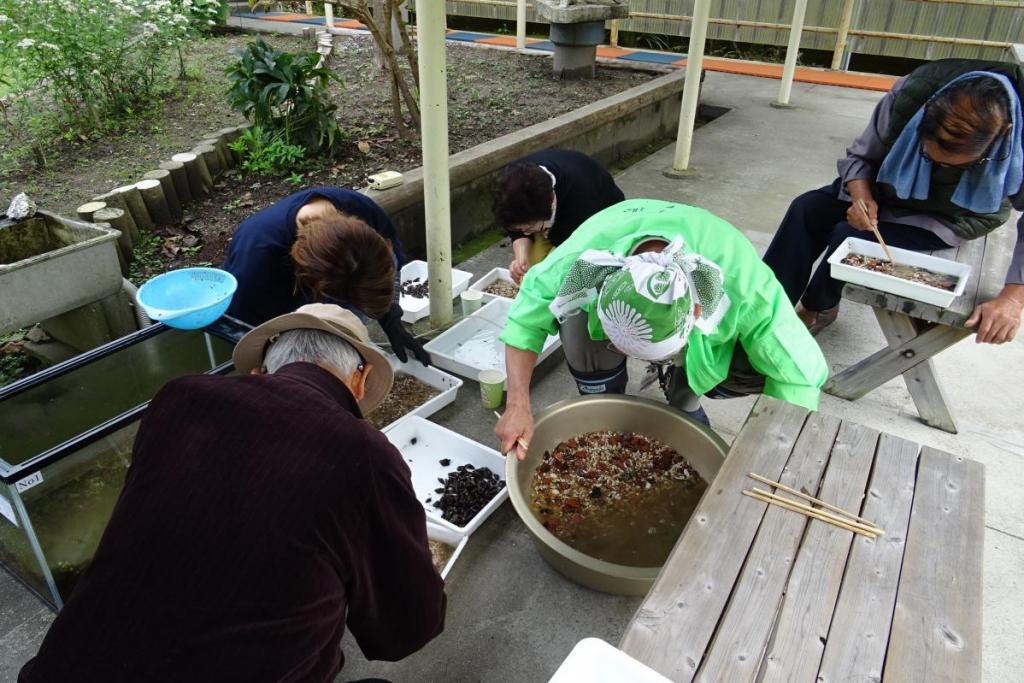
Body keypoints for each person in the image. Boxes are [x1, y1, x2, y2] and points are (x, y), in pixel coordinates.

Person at [19, 304, 447, 683]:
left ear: (260, 371)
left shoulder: (178, 398)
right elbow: (405, 629)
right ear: (362, 378)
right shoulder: (364, 454)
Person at [494, 199, 828, 458]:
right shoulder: (582, 262)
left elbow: (800, 375)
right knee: (577, 333)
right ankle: (605, 398)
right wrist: (518, 405)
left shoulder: (746, 287)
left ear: (698, 311)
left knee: (754, 366)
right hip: (624, 225)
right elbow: (526, 316)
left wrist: (769, 456)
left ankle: (685, 393)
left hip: (712, 258)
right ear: (603, 285)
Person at [763, 59, 1024, 343]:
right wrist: (861, 196)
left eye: (960, 166)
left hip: (951, 216)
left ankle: (817, 308)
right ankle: (764, 307)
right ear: (922, 119)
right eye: (928, 157)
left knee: (849, 237)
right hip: (885, 191)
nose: (941, 170)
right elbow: (862, 155)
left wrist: (1012, 299)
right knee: (807, 208)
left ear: (1003, 136)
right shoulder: (912, 93)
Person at [223, 186, 430, 363]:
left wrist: (389, 317)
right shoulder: (255, 260)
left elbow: (383, 267)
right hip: (274, 306)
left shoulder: (360, 209)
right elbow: (251, 335)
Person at [492, 149, 625, 285]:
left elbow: (572, 253)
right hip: (553, 217)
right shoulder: (510, 186)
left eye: (530, 228)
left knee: (551, 279)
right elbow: (516, 225)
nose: (525, 232)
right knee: (529, 271)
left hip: (600, 220)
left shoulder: (581, 201)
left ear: (551, 203)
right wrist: (521, 257)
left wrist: (549, 271)